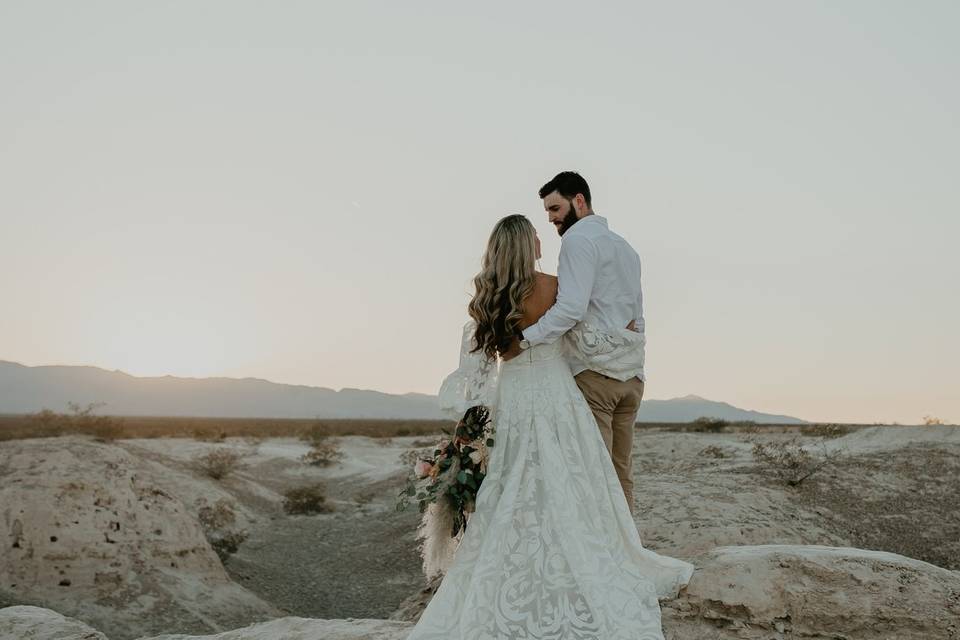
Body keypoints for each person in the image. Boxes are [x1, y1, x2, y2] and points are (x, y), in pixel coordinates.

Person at [405, 213, 693, 640]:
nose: (543, 241)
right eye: (537, 236)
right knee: (573, 479)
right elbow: (581, 336)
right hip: (557, 393)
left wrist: (470, 427)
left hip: (514, 397)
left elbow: (478, 373)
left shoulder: (485, 297)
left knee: (511, 481)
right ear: (526, 245)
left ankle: (512, 568)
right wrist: (626, 335)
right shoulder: (555, 288)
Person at [509, 171, 646, 516]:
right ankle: (628, 551)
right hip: (632, 377)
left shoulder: (577, 241)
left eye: (555, 208)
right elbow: (637, 314)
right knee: (620, 472)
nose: (552, 218)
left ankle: (610, 559)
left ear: (579, 201)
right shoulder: (625, 247)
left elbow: (570, 307)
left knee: (594, 475)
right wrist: (625, 344)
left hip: (595, 376)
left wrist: (526, 338)